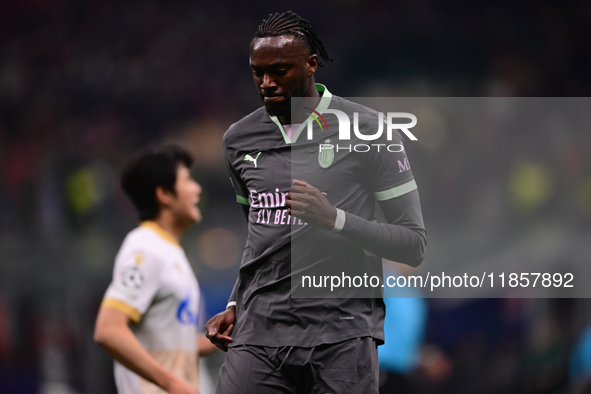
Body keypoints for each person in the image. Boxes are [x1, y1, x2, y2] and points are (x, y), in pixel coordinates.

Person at [206, 11, 427, 394]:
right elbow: (261, 235)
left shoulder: (370, 130)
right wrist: (235, 301)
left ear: (312, 65)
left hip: (340, 335)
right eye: (258, 72)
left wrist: (336, 219)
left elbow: (413, 245)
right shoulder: (239, 139)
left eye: (279, 71)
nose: (267, 83)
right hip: (260, 333)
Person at [94, 145, 217, 394]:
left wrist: (226, 336)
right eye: (188, 180)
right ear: (164, 194)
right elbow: (108, 330)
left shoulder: (171, 252)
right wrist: (172, 383)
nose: (197, 188)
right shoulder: (145, 250)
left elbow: (168, 345)